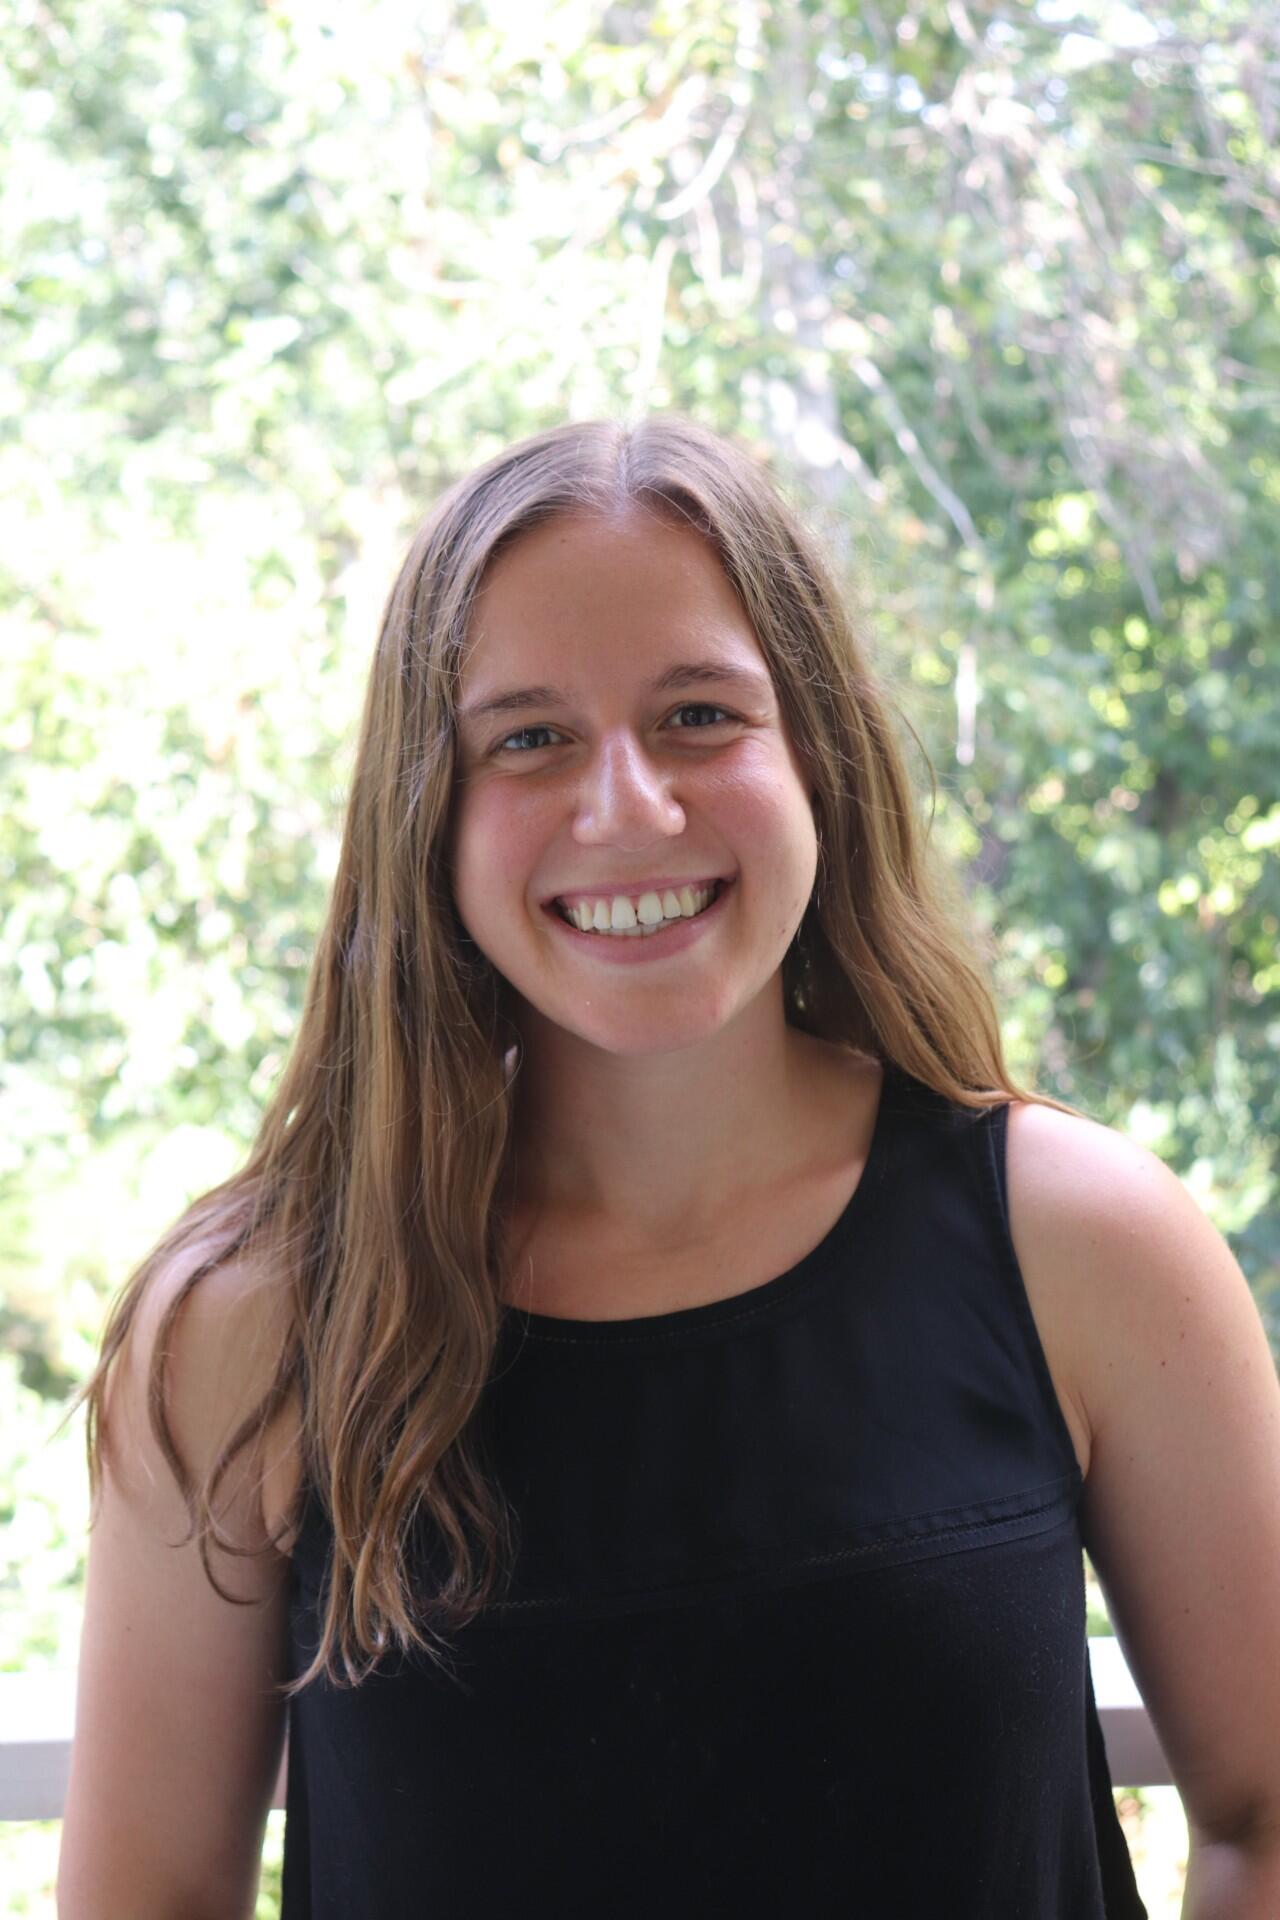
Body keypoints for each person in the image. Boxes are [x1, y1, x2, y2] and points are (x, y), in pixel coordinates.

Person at [58, 415, 1280, 1918]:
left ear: (816, 754)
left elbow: (1264, 1815)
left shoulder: (1084, 1244)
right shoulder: (244, 1328)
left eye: (699, 715)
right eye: (528, 737)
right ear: (423, 814)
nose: (627, 807)